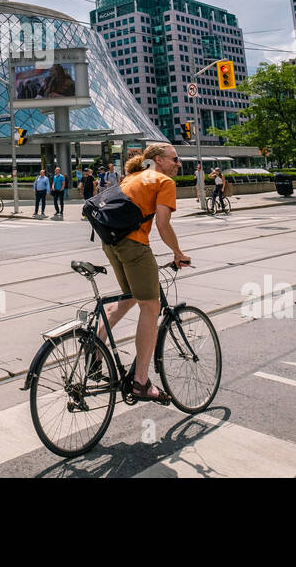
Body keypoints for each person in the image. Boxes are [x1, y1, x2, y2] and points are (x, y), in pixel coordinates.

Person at [95, 143, 190, 403]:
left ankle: (95, 347)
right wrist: (178, 253)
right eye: (175, 159)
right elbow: (162, 223)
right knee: (151, 307)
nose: (178, 164)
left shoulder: (132, 177)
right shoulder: (163, 181)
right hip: (134, 245)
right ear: (159, 160)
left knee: (130, 297)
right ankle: (141, 382)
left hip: (111, 243)